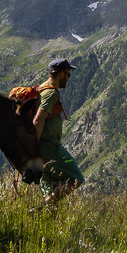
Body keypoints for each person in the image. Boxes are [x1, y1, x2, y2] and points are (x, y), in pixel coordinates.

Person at [33, 57, 84, 206]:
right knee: (76, 178)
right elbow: (38, 119)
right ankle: (40, 210)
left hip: (42, 148)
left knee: (51, 189)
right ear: (61, 74)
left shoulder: (41, 88)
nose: (69, 78)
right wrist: (33, 147)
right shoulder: (51, 93)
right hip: (49, 147)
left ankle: (46, 219)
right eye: (68, 74)